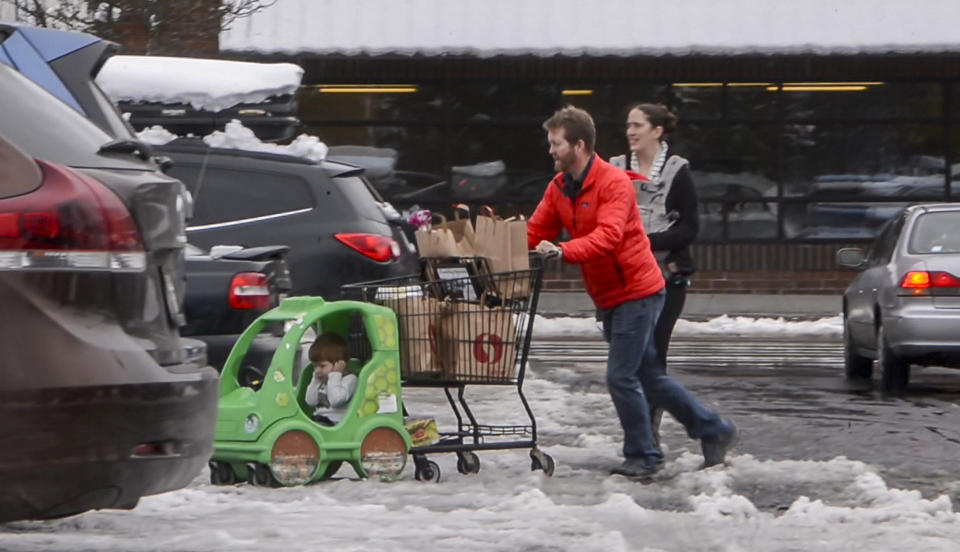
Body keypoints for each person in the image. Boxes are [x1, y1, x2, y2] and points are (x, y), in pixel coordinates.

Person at [528, 105, 735, 478]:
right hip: (607, 294)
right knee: (648, 377)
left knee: (621, 376)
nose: (551, 151)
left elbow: (608, 237)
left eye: (556, 144)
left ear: (578, 145)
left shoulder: (613, 183)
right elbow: (535, 229)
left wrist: (562, 250)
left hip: (637, 291)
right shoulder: (559, 188)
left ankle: (643, 456)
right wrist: (498, 247)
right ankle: (713, 429)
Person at [609, 103, 700, 448]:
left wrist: (646, 242)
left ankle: (648, 433)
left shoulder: (678, 171)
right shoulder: (615, 168)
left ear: (657, 131)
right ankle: (646, 433)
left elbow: (690, 228)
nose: (630, 131)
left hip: (665, 276)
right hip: (623, 278)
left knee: (652, 354)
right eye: (628, 125)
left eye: (638, 125)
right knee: (631, 359)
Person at [304, 332, 357, 426]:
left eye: (322, 366)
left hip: (336, 423)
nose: (317, 370)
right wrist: (316, 381)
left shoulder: (350, 380)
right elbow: (310, 402)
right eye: (315, 366)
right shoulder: (322, 379)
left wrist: (336, 374)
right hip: (319, 419)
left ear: (339, 363)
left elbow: (336, 401)